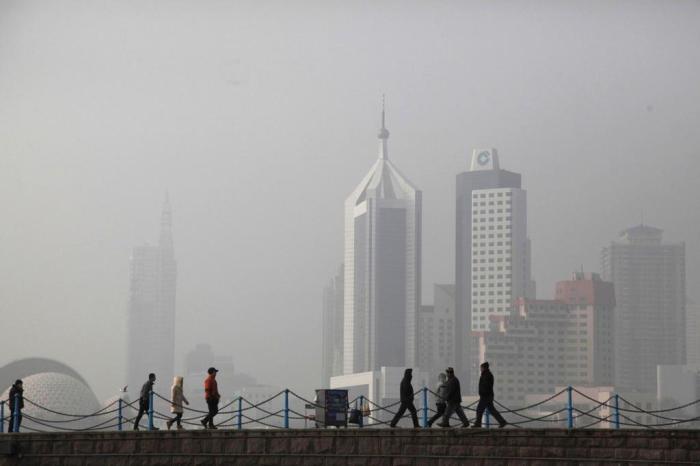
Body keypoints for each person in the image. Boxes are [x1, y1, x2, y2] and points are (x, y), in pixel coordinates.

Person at [472, 362, 507, 428]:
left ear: (484, 368)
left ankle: (478, 424)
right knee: (492, 410)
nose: (480, 369)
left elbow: (486, 386)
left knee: (479, 409)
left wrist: (482, 393)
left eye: (481, 368)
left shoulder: (486, 375)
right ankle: (502, 421)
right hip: (488, 396)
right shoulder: (487, 374)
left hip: (485, 396)